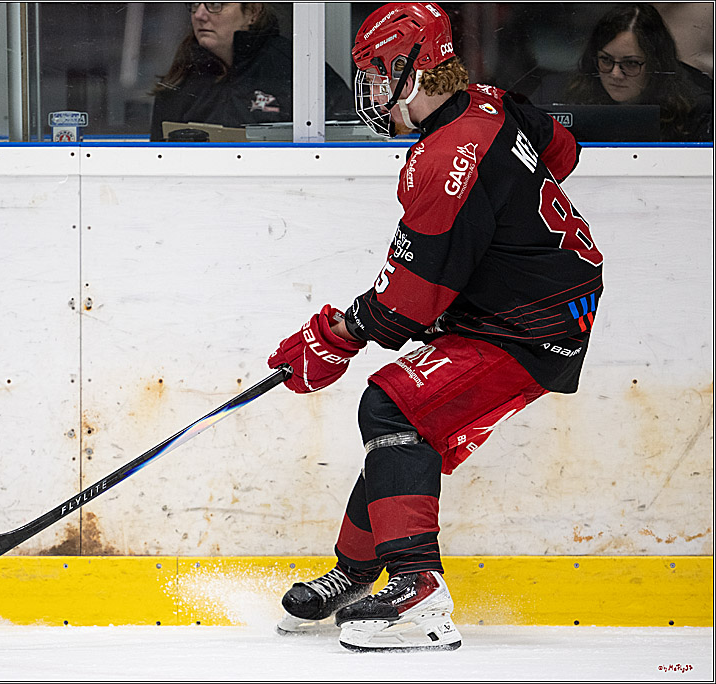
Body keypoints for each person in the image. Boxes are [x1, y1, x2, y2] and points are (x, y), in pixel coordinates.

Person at [267, 2, 604, 652]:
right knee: (407, 423)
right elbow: (562, 152)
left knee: (391, 407)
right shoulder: (491, 102)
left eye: (373, 76)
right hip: (536, 301)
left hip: (527, 322)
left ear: (411, 71)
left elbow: (407, 305)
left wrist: (334, 334)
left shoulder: (442, 159)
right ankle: (357, 572)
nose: (367, 92)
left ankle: (417, 585)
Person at [148, 2, 354, 142]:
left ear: (252, 12)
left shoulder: (296, 68)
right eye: (195, 4)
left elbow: (347, 138)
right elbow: (157, 156)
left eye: (216, 4)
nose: (200, 15)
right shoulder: (182, 76)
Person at [563, 3, 713, 143]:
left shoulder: (697, 111)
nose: (615, 74)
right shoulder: (570, 97)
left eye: (631, 63)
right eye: (606, 60)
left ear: (656, 64)